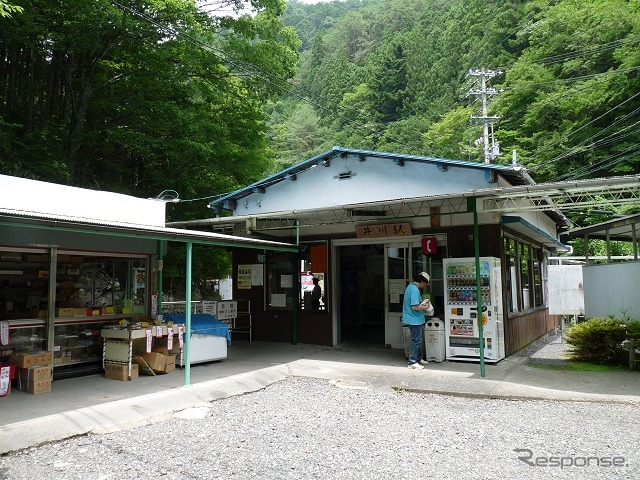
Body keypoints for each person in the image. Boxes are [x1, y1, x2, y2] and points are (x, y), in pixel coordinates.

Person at [402, 272, 433, 370]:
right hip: (414, 319)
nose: (425, 285)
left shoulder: (410, 287)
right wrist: (426, 307)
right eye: (426, 283)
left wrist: (423, 303)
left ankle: (418, 358)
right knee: (416, 340)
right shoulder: (414, 290)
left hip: (413, 318)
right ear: (422, 281)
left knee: (417, 340)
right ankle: (412, 362)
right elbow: (414, 306)